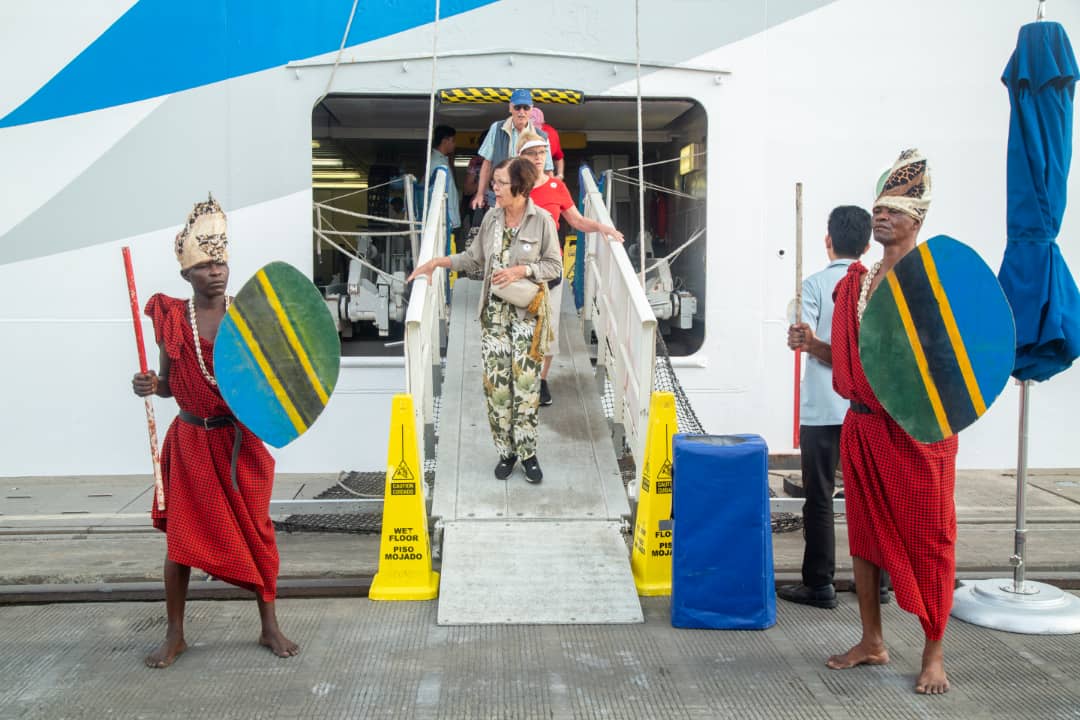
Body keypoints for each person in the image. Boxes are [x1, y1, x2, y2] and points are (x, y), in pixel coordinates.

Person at [131, 196, 298, 668]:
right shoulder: (173, 319)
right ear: (187, 273)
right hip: (189, 444)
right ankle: (175, 634)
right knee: (180, 541)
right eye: (205, 266)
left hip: (239, 444)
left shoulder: (248, 316)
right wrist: (151, 385)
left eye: (220, 263)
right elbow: (169, 386)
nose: (216, 272)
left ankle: (269, 626)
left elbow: (274, 381)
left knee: (258, 533)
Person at [826, 150, 957, 695]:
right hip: (862, 427)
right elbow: (857, 362)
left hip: (916, 431)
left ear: (916, 219)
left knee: (929, 538)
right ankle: (872, 640)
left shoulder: (933, 280)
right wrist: (812, 345)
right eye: (877, 209)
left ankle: (934, 652)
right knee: (862, 538)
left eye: (893, 211)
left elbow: (956, 362)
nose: (880, 217)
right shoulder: (858, 282)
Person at [408, 158, 561, 482]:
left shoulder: (542, 221)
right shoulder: (491, 218)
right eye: (494, 183)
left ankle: (528, 454)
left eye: (500, 183)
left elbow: (554, 266)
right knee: (497, 388)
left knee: (525, 386)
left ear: (520, 186)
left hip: (527, 315)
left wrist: (522, 270)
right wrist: (437, 262)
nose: (494, 188)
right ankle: (506, 452)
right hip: (493, 316)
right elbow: (473, 258)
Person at [779, 206, 871, 609]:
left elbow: (806, 339)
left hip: (822, 408)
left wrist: (808, 342)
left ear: (828, 241)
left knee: (819, 497)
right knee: (870, 500)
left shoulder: (813, 286)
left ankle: (819, 584)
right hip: (867, 408)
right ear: (867, 246)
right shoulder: (875, 286)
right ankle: (879, 585)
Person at [516, 131, 624, 406]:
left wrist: (602, 228)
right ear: (521, 156)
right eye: (532, 153)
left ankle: (540, 381)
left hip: (550, 268)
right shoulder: (514, 187)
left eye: (542, 153)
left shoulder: (556, 187)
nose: (538, 158)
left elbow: (576, 220)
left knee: (548, 331)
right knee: (522, 328)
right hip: (520, 269)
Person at [470, 89, 552, 210]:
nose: (521, 112)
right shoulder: (497, 128)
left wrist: (549, 198)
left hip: (530, 198)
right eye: (517, 107)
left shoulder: (542, 136)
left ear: (531, 109)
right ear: (510, 108)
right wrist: (480, 194)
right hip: (500, 197)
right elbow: (487, 164)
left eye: (526, 108)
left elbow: (548, 170)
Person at [430, 124, 460, 232]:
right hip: (442, 219)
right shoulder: (437, 162)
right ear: (445, 141)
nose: (454, 144)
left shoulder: (443, 160)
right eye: (453, 141)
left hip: (446, 218)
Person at [530, 106, 565, 180]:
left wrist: (560, 175)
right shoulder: (515, 136)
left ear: (543, 123)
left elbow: (559, 157)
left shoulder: (551, 133)